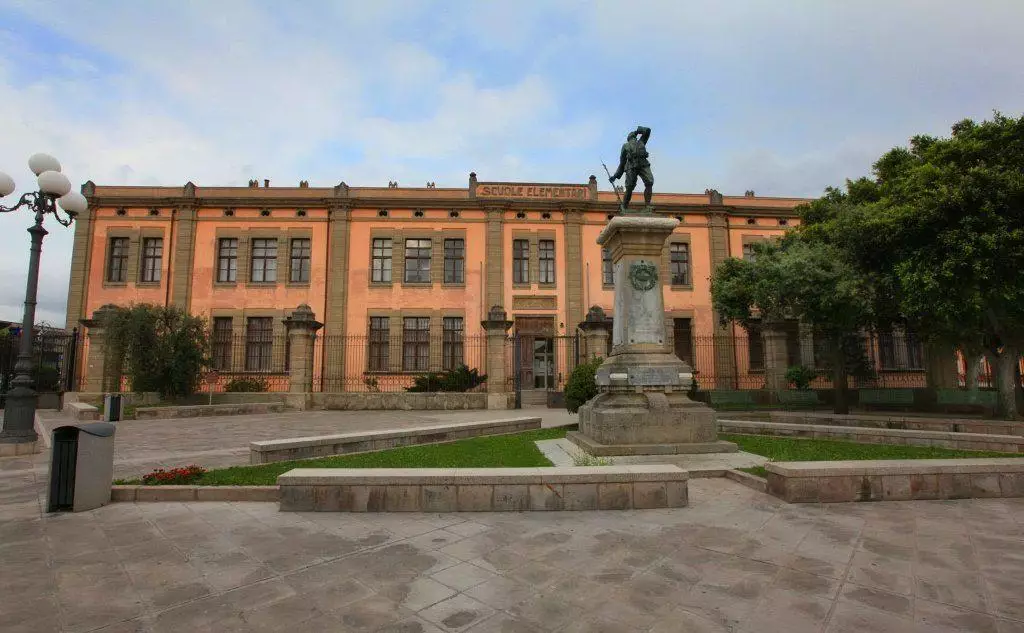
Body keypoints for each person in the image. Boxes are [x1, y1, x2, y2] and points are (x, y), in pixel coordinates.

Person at [609, 126, 654, 211]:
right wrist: (615, 176)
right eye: (632, 136)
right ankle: (625, 207)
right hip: (631, 166)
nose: (633, 138)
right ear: (629, 138)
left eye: (634, 136)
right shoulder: (625, 146)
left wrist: (638, 130)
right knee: (629, 187)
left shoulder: (641, 141)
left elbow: (648, 130)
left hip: (643, 164)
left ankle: (648, 206)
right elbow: (622, 163)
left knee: (649, 182)